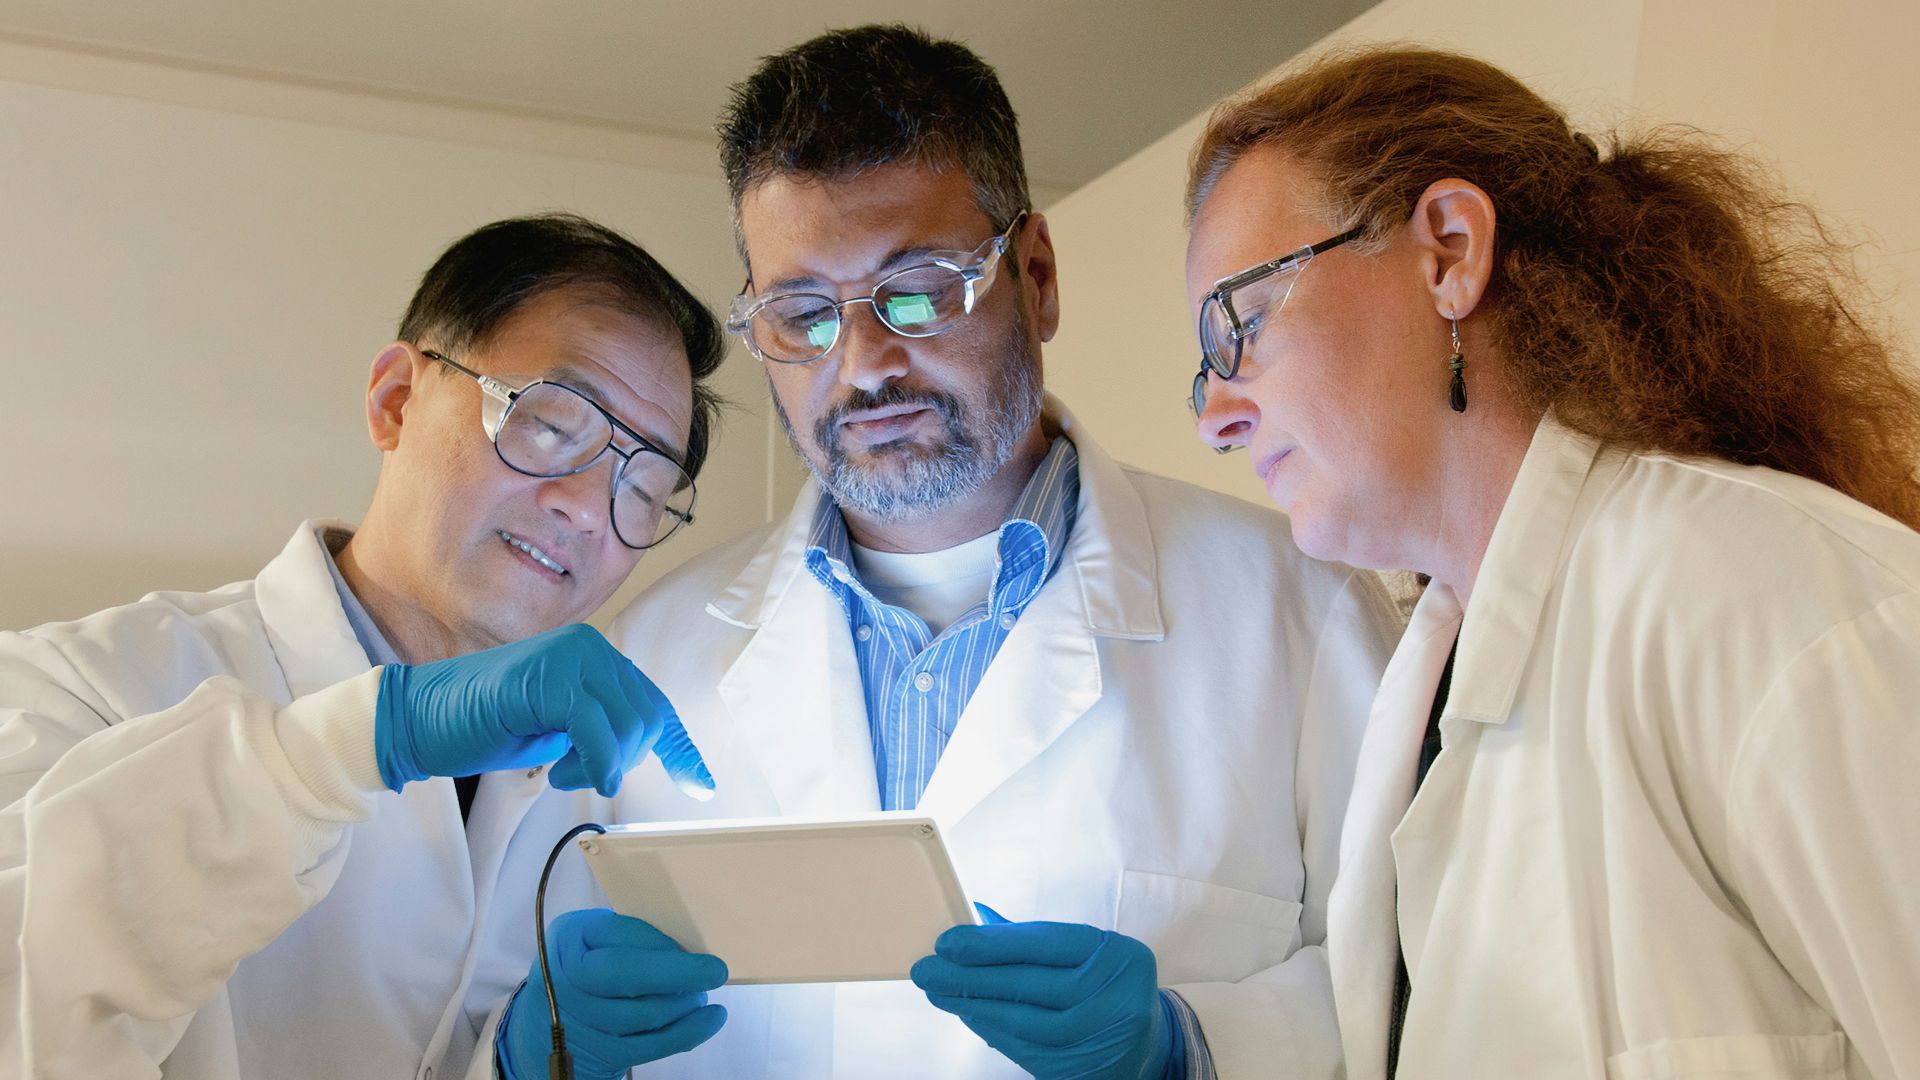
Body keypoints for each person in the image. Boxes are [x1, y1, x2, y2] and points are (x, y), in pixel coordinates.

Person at [586, 24, 1403, 1080]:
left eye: (920, 287)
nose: (866, 364)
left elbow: (1421, 986)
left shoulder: (1302, 614)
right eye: (801, 314)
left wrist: (1193, 1049)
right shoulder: (649, 658)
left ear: (1038, 276)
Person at [1184, 46, 1920, 1080]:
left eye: (1241, 327)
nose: (1217, 415)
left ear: (1447, 251)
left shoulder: (1771, 600)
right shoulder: (1423, 697)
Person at [0, 213, 739, 1080]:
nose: (586, 506)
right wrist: (344, 748)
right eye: (552, 423)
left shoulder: (604, 797)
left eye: (644, 486)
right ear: (396, 400)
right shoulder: (76, 684)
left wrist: (511, 1065)